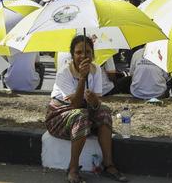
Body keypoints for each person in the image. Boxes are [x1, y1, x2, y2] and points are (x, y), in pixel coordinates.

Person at [45, 35, 127, 183]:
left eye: (88, 52)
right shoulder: (64, 73)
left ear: (93, 54)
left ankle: (108, 165)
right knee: (80, 115)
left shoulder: (95, 71)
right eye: (78, 52)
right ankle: (73, 168)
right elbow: (75, 105)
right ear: (72, 55)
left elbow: (96, 105)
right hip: (59, 117)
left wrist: (94, 100)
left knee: (105, 112)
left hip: (83, 112)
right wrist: (82, 79)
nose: (83, 56)